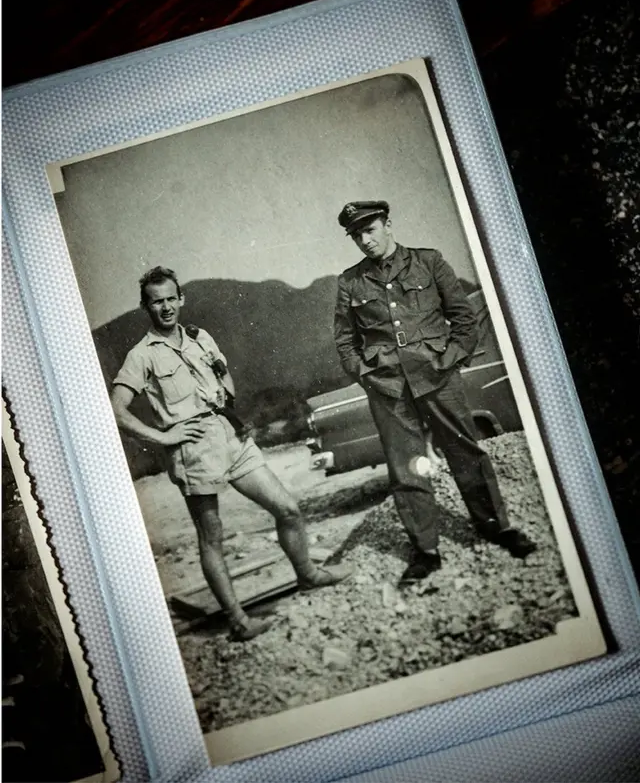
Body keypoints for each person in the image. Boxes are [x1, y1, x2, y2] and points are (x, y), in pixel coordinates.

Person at [111, 266, 350, 641]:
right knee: (213, 537)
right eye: (157, 302)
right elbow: (117, 409)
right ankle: (239, 622)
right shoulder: (142, 356)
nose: (166, 307)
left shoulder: (199, 337)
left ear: (181, 299)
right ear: (146, 306)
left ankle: (308, 574)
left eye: (171, 298)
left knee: (286, 507)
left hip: (230, 436)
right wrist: (164, 436)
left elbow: (224, 376)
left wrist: (227, 397)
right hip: (192, 449)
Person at [333, 201, 537, 587]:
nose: (365, 240)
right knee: (406, 467)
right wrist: (366, 375)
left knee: (466, 452)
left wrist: (449, 361)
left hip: (438, 378)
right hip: (388, 389)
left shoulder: (428, 262)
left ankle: (497, 528)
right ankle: (426, 551)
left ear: (388, 224)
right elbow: (345, 342)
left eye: (371, 229)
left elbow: (463, 318)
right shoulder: (350, 282)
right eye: (357, 235)